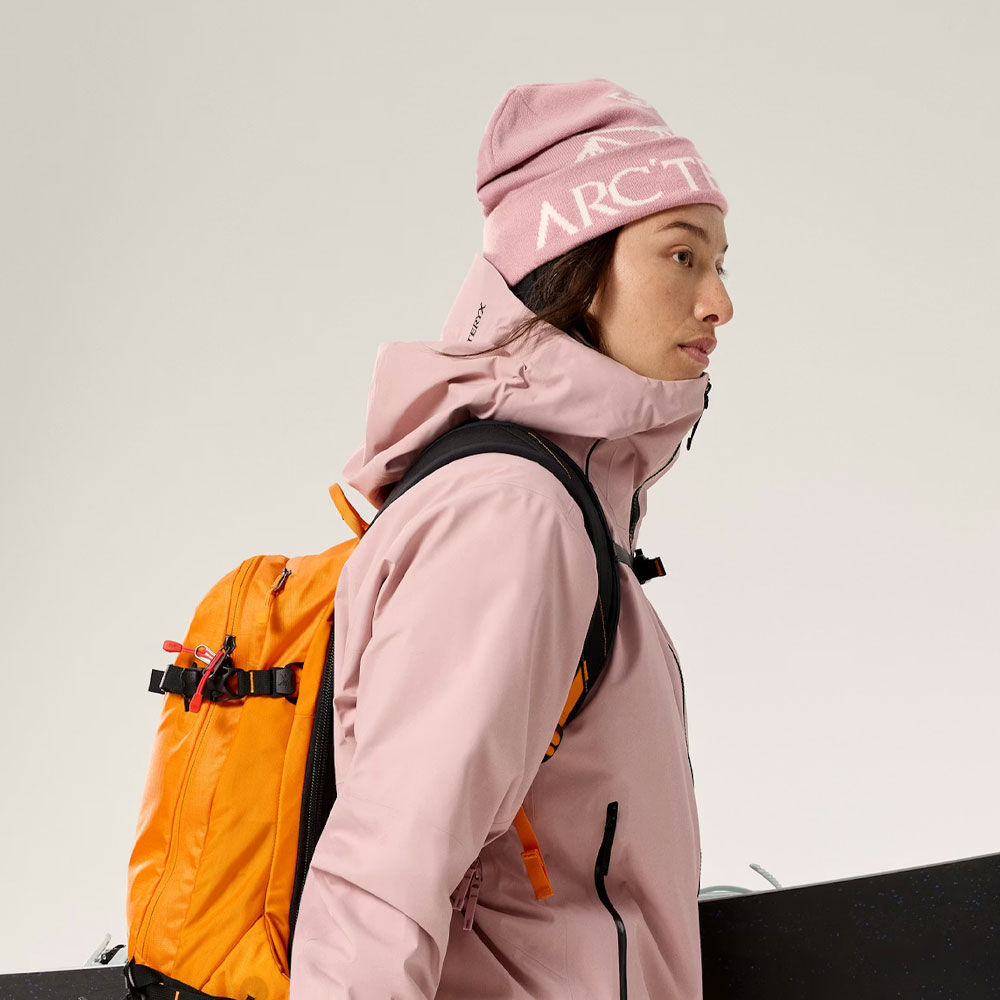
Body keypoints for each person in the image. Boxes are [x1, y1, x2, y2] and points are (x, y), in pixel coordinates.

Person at [288, 77, 732, 999]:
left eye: (722, 264)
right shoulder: (514, 515)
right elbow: (379, 878)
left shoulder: (562, 505)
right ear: (578, 269)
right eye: (682, 256)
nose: (719, 302)